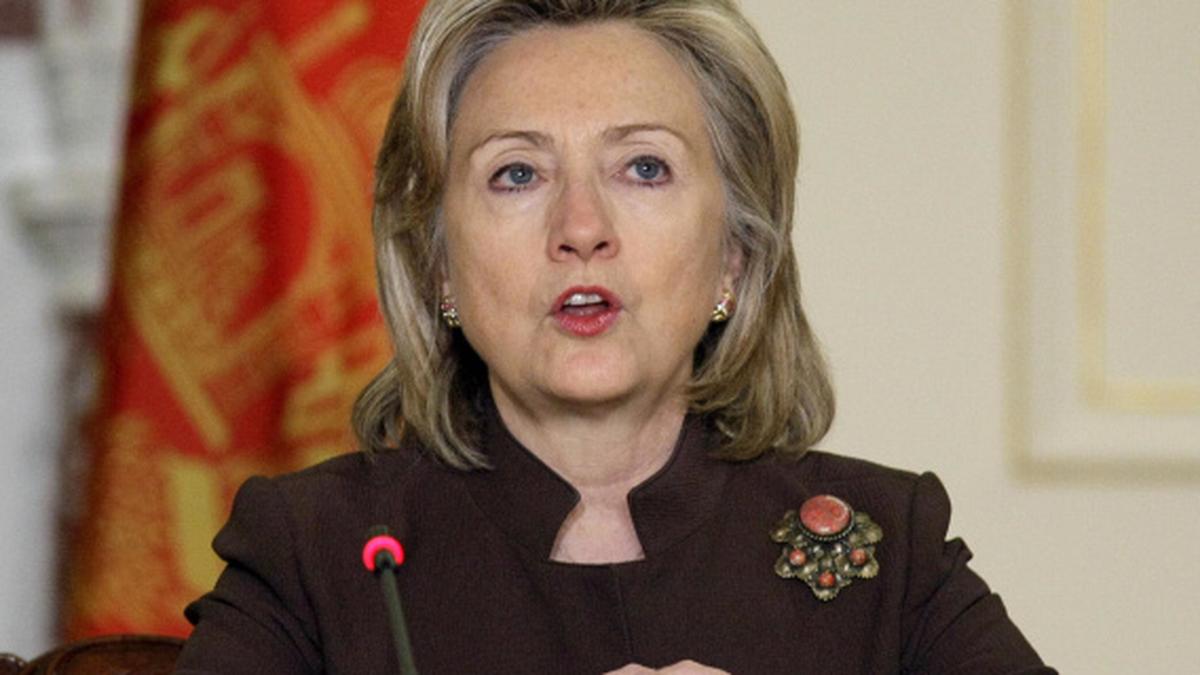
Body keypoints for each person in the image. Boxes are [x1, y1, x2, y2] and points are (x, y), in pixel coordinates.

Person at [177, 1, 1054, 673]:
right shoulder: (313, 549)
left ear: (736, 253)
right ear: (438, 263)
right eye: (516, 174)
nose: (581, 228)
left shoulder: (884, 550)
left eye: (644, 167)